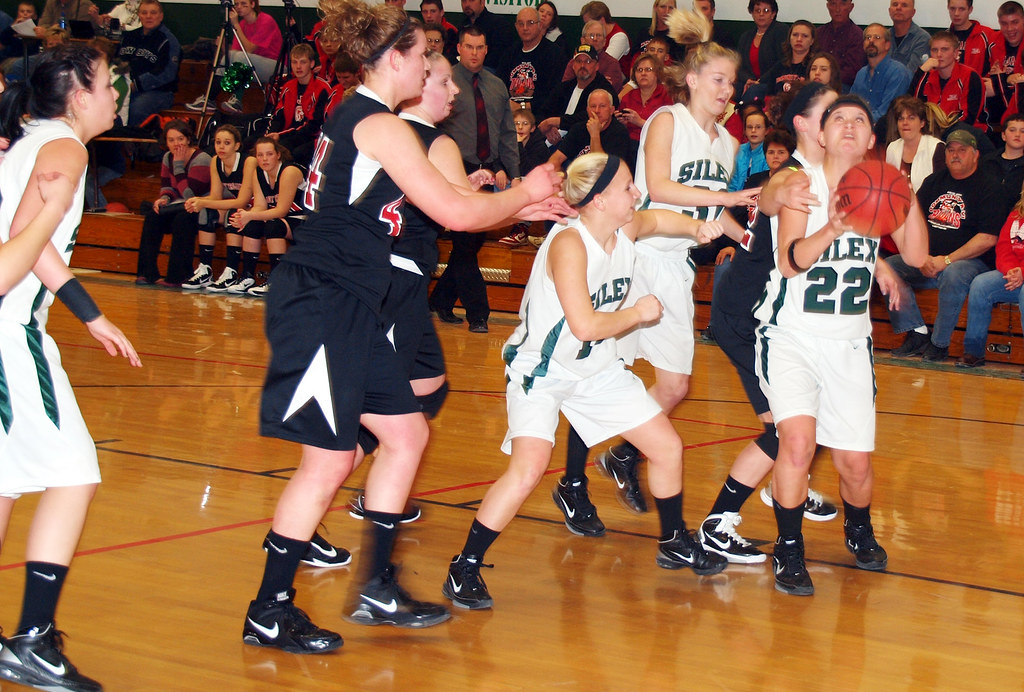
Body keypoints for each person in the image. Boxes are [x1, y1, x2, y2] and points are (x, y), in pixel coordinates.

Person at [244, 0, 563, 653]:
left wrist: (497, 196)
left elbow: (436, 200)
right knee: (329, 461)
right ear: (395, 58)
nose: (428, 66)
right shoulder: (377, 123)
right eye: (422, 55)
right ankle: (269, 608)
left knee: (408, 433)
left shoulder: (369, 120)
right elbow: (457, 213)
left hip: (355, 301)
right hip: (324, 299)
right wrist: (525, 192)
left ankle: (376, 587)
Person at [441, 153, 728, 610]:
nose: (636, 193)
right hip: (545, 371)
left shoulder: (623, 229)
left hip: (596, 370)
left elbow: (656, 220)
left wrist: (695, 229)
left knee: (668, 447)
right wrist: (639, 313)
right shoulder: (569, 245)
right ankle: (465, 566)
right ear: (596, 201)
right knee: (528, 469)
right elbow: (585, 326)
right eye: (628, 187)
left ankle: (674, 538)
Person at [563, 10, 757, 528]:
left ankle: (624, 453)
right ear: (692, 79)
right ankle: (572, 483)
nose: (726, 89)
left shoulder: (729, 142)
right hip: (635, 251)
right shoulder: (666, 120)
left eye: (732, 83)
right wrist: (730, 195)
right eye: (718, 79)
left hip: (675, 265)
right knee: (603, 373)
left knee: (674, 385)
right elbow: (662, 188)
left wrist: (755, 241)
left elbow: (713, 211)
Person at [0, 43, 142, 692]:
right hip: (9, 333)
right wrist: (54, 211)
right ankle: (30, 640)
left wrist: (89, 313)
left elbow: (38, 251)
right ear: (80, 95)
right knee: (74, 472)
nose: (117, 92)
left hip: (17, 323)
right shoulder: (67, 151)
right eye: (109, 83)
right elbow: (13, 258)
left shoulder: (34, 139)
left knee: (3, 485)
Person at [755, 94, 928, 595]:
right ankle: (788, 549)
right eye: (839, 120)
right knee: (799, 443)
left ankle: (859, 529)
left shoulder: (878, 186)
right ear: (822, 134)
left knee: (855, 462)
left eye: (860, 121)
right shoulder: (800, 183)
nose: (849, 127)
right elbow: (789, 262)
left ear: (873, 139)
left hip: (850, 342)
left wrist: (904, 193)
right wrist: (834, 225)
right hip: (790, 334)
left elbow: (917, 254)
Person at [699, 84, 839, 564]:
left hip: (754, 310)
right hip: (746, 316)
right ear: (804, 122)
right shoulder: (790, 178)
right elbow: (777, 194)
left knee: (793, 425)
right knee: (788, 427)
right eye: (830, 113)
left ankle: (784, 483)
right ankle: (720, 522)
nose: (841, 121)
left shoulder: (819, 175)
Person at [887, 127, 1007, 362]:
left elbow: (988, 238)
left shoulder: (990, 187)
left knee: (954, 273)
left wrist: (947, 259)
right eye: (951, 150)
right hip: (929, 259)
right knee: (888, 267)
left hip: (969, 263)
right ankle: (917, 331)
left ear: (976, 154)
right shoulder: (934, 181)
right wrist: (920, 256)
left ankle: (939, 344)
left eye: (962, 150)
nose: (955, 155)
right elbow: (914, 220)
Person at [431, 26, 520, 333]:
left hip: (488, 171)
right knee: (465, 245)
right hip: (455, 170)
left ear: (486, 49)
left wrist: (515, 172)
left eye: (480, 47)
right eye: (469, 46)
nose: (474, 52)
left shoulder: (496, 86)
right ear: (459, 47)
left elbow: (508, 132)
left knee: (467, 245)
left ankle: (441, 300)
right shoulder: (445, 82)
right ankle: (478, 313)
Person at [135, 119, 212, 287]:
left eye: (180, 139)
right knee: (152, 217)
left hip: (199, 207)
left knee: (182, 220)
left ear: (188, 139)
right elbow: (168, 186)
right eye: (171, 140)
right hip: (179, 205)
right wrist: (164, 198)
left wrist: (178, 165)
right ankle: (147, 274)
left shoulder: (202, 159)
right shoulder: (167, 157)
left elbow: (190, 194)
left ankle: (177, 276)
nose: (176, 144)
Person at [225, 137, 304, 296]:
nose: (264, 159)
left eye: (269, 154)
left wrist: (249, 215)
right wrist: (246, 216)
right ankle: (247, 276)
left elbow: (281, 210)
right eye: (260, 155)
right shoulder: (259, 173)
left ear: (278, 155)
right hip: (283, 219)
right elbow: (260, 206)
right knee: (252, 224)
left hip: (308, 220)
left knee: (273, 225)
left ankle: (277, 280)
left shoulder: (290, 171)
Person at [958, 180, 1024, 368]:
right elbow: (1003, 248)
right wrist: (1012, 270)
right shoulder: (1015, 216)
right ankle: (974, 352)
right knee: (981, 284)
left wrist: (1022, 273)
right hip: (1012, 274)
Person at [183, 124, 250, 291]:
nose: (221, 146)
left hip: (256, 206)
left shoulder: (249, 161)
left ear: (237, 145)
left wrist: (204, 201)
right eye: (218, 142)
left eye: (227, 143)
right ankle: (205, 269)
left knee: (233, 214)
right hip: (239, 205)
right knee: (206, 212)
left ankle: (232, 272)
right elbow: (215, 196)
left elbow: (241, 201)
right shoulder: (215, 161)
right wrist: (197, 200)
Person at [185, 0, 282, 114]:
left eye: (243, 4)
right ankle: (209, 99)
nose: (239, 7)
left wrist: (235, 25)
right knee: (230, 56)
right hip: (251, 68)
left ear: (252, 4)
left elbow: (249, 49)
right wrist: (222, 47)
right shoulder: (242, 25)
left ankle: (237, 99)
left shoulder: (265, 20)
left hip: (276, 67)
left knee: (241, 58)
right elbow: (234, 53)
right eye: (236, 4)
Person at [265, 43, 332, 166]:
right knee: (257, 144)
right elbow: (278, 116)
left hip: (311, 136)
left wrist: (280, 135)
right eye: (294, 62)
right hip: (288, 134)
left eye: (303, 62)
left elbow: (314, 126)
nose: (298, 66)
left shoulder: (322, 88)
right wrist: (269, 135)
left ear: (312, 64)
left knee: (289, 151)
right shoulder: (288, 87)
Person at [116, 0, 179, 127]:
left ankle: (133, 144)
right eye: (144, 13)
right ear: (139, 15)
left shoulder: (169, 41)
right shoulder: (129, 37)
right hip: (127, 86)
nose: (148, 16)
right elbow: (117, 62)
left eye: (153, 13)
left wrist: (136, 85)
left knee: (136, 109)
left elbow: (167, 74)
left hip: (158, 92)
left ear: (161, 16)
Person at [913, 31, 988, 131]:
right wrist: (921, 71)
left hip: (967, 133)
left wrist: (941, 132)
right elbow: (914, 106)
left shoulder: (970, 76)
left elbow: (968, 118)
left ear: (956, 53)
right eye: (934, 50)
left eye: (944, 49)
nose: (939, 54)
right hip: (933, 133)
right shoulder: (926, 76)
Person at [548, 88, 632, 172]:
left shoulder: (619, 132)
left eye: (602, 106)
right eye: (593, 106)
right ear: (587, 110)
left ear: (611, 110)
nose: (597, 111)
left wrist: (595, 134)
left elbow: (602, 169)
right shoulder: (578, 128)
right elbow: (557, 158)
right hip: (577, 178)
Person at [502, 6, 567, 110]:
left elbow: (554, 95)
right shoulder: (510, 53)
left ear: (540, 25)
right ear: (516, 26)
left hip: (538, 116)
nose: (525, 28)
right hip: (509, 113)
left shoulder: (554, 54)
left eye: (530, 23)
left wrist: (522, 107)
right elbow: (499, 86)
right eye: (521, 24)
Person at [885, 95, 950, 192]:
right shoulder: (892, 148)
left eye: (911, 118)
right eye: (901, 118)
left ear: (922, 123)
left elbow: (941, 189)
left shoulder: (936, 148)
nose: (905, 123)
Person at [851, 24, 912, 125]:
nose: (871, 41)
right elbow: (851, 103)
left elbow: (887, 112)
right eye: (868, 38)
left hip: (885, 130)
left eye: (877, 37)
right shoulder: (861, 74)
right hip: (861, 126)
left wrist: (860, 121)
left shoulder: (898, 72)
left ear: (887, 45)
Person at [615, 53, 672, 146]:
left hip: (658, 143)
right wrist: (623, 122)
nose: (643, 73)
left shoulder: (667, 95)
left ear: (657, 73)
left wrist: (640, 122)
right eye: (639, 70)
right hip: (630, 144)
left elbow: (669, 129)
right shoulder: (628, 97)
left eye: (648, 70)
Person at [736, 0, 787, 99]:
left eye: (766, 10)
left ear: (773, 14)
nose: (761, 14)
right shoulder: (745, 36)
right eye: (757, 10)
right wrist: (747, 80)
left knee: (753, 91)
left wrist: (760, 81)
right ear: (752, 13)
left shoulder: (780, 30)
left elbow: (782, 61)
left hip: (772, 84)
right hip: (749, 83)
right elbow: (738, 65)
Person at [816, 0, 865, 89]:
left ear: (851, 7)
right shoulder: (819, 33)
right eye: (833, 4)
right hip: (817, 82)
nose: (837, 9)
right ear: (827, 6)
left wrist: (828, 78)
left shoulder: (857, 35)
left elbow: (852, 72)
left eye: (843, 4)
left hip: (843, 86)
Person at [758, 20, 815, 96]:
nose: (799, 39)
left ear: (812, 41)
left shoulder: (814, 66)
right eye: (795, 35)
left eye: (805, 36)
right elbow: (769, 94)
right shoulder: (780, 65)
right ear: (789, 38)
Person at [460, 0, 514, 73]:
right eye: (464, 1)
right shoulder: (462, 26)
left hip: (489, 71)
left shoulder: (498, 24)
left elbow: (499, 55)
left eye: (471, 0)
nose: (467, 4)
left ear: (482, 2)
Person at [948, 0, 997, 78]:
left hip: (978, 88)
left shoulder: (987, 35)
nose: (956, 13)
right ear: (948, 8)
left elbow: (997, 64)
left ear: (970, 9)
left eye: (961, 9)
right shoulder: (944, 38)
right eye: (952, 9)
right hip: (951, 88)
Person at [982, 111, 1024, 200]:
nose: (1017, 135)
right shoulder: (987, 161)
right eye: (1012, 130)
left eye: (1023, 131)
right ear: (1003, 135)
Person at [579, 1, 630, 75]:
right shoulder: (589, 35)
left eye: (590, 24)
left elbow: (605, 64)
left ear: (602, 20)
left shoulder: (619, 37)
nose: (587, 27)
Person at [728, 107, 768, 192]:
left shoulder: (770, 152)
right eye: (749, 127)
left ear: (766, 130)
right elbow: (732, 183)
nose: (753, 131)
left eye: (758, 127)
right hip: (737, 199)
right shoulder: (738, 150)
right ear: (745, 130)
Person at [888, 0, 931, 74]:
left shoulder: (922, 39)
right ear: (889, 10)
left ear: (913, 12)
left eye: (904, 5)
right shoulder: (883, 37)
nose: (898, 8)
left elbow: (911, 74)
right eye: (895, 4)